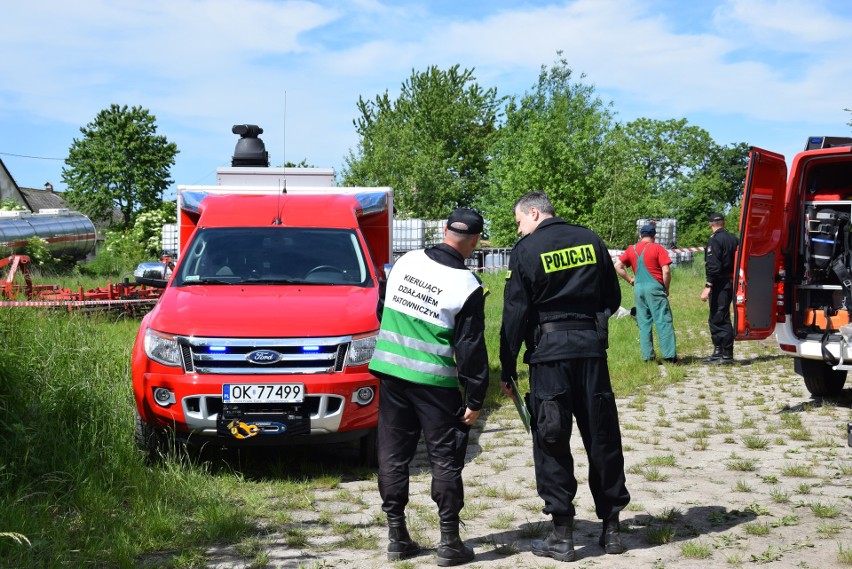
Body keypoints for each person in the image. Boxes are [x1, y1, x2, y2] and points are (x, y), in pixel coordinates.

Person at [499, 191, 630, 562]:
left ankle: (562, 534)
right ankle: (613, 529)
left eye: (519, 221)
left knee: (551, 439)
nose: (520, 229)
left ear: (535, 213)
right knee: (602, 436)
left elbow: (514, 313)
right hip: (591, 354)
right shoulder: (591, 239)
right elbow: (612, 298)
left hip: (548, 357)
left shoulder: (526, 250)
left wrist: (507, 367)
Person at [369, 207, 489, 566]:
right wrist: (476, 396)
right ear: (476, 241)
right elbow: (470, 347)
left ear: (443, 228)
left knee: (392, 455)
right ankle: (449, 542)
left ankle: (397, 537)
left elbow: (381, 308)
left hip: (391, 373)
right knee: (445, 459)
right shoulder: (467, 285)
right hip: (435, 383)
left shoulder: (406, 261)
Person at [614, 224, 679, 363]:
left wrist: (630, 279)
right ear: (654, 236)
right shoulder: (657, 248)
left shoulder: (631, 249)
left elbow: (617, 266)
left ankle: (648, 357)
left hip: (638, 288)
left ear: (640, 236)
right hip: (655, 287)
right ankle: (670, 357)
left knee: (643, 322)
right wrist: (666, 288)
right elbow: (666, 271)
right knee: (663, 320)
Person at [700, 212, 739, 364]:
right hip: (730, 282)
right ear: (724, 223)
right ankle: (718, 351)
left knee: (720, 317)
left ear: (711, 224)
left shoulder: (715, 240)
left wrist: (708, 286)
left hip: (719, 283)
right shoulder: (733, 239)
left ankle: (726, 354)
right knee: (717, 316)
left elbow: (713, 266)